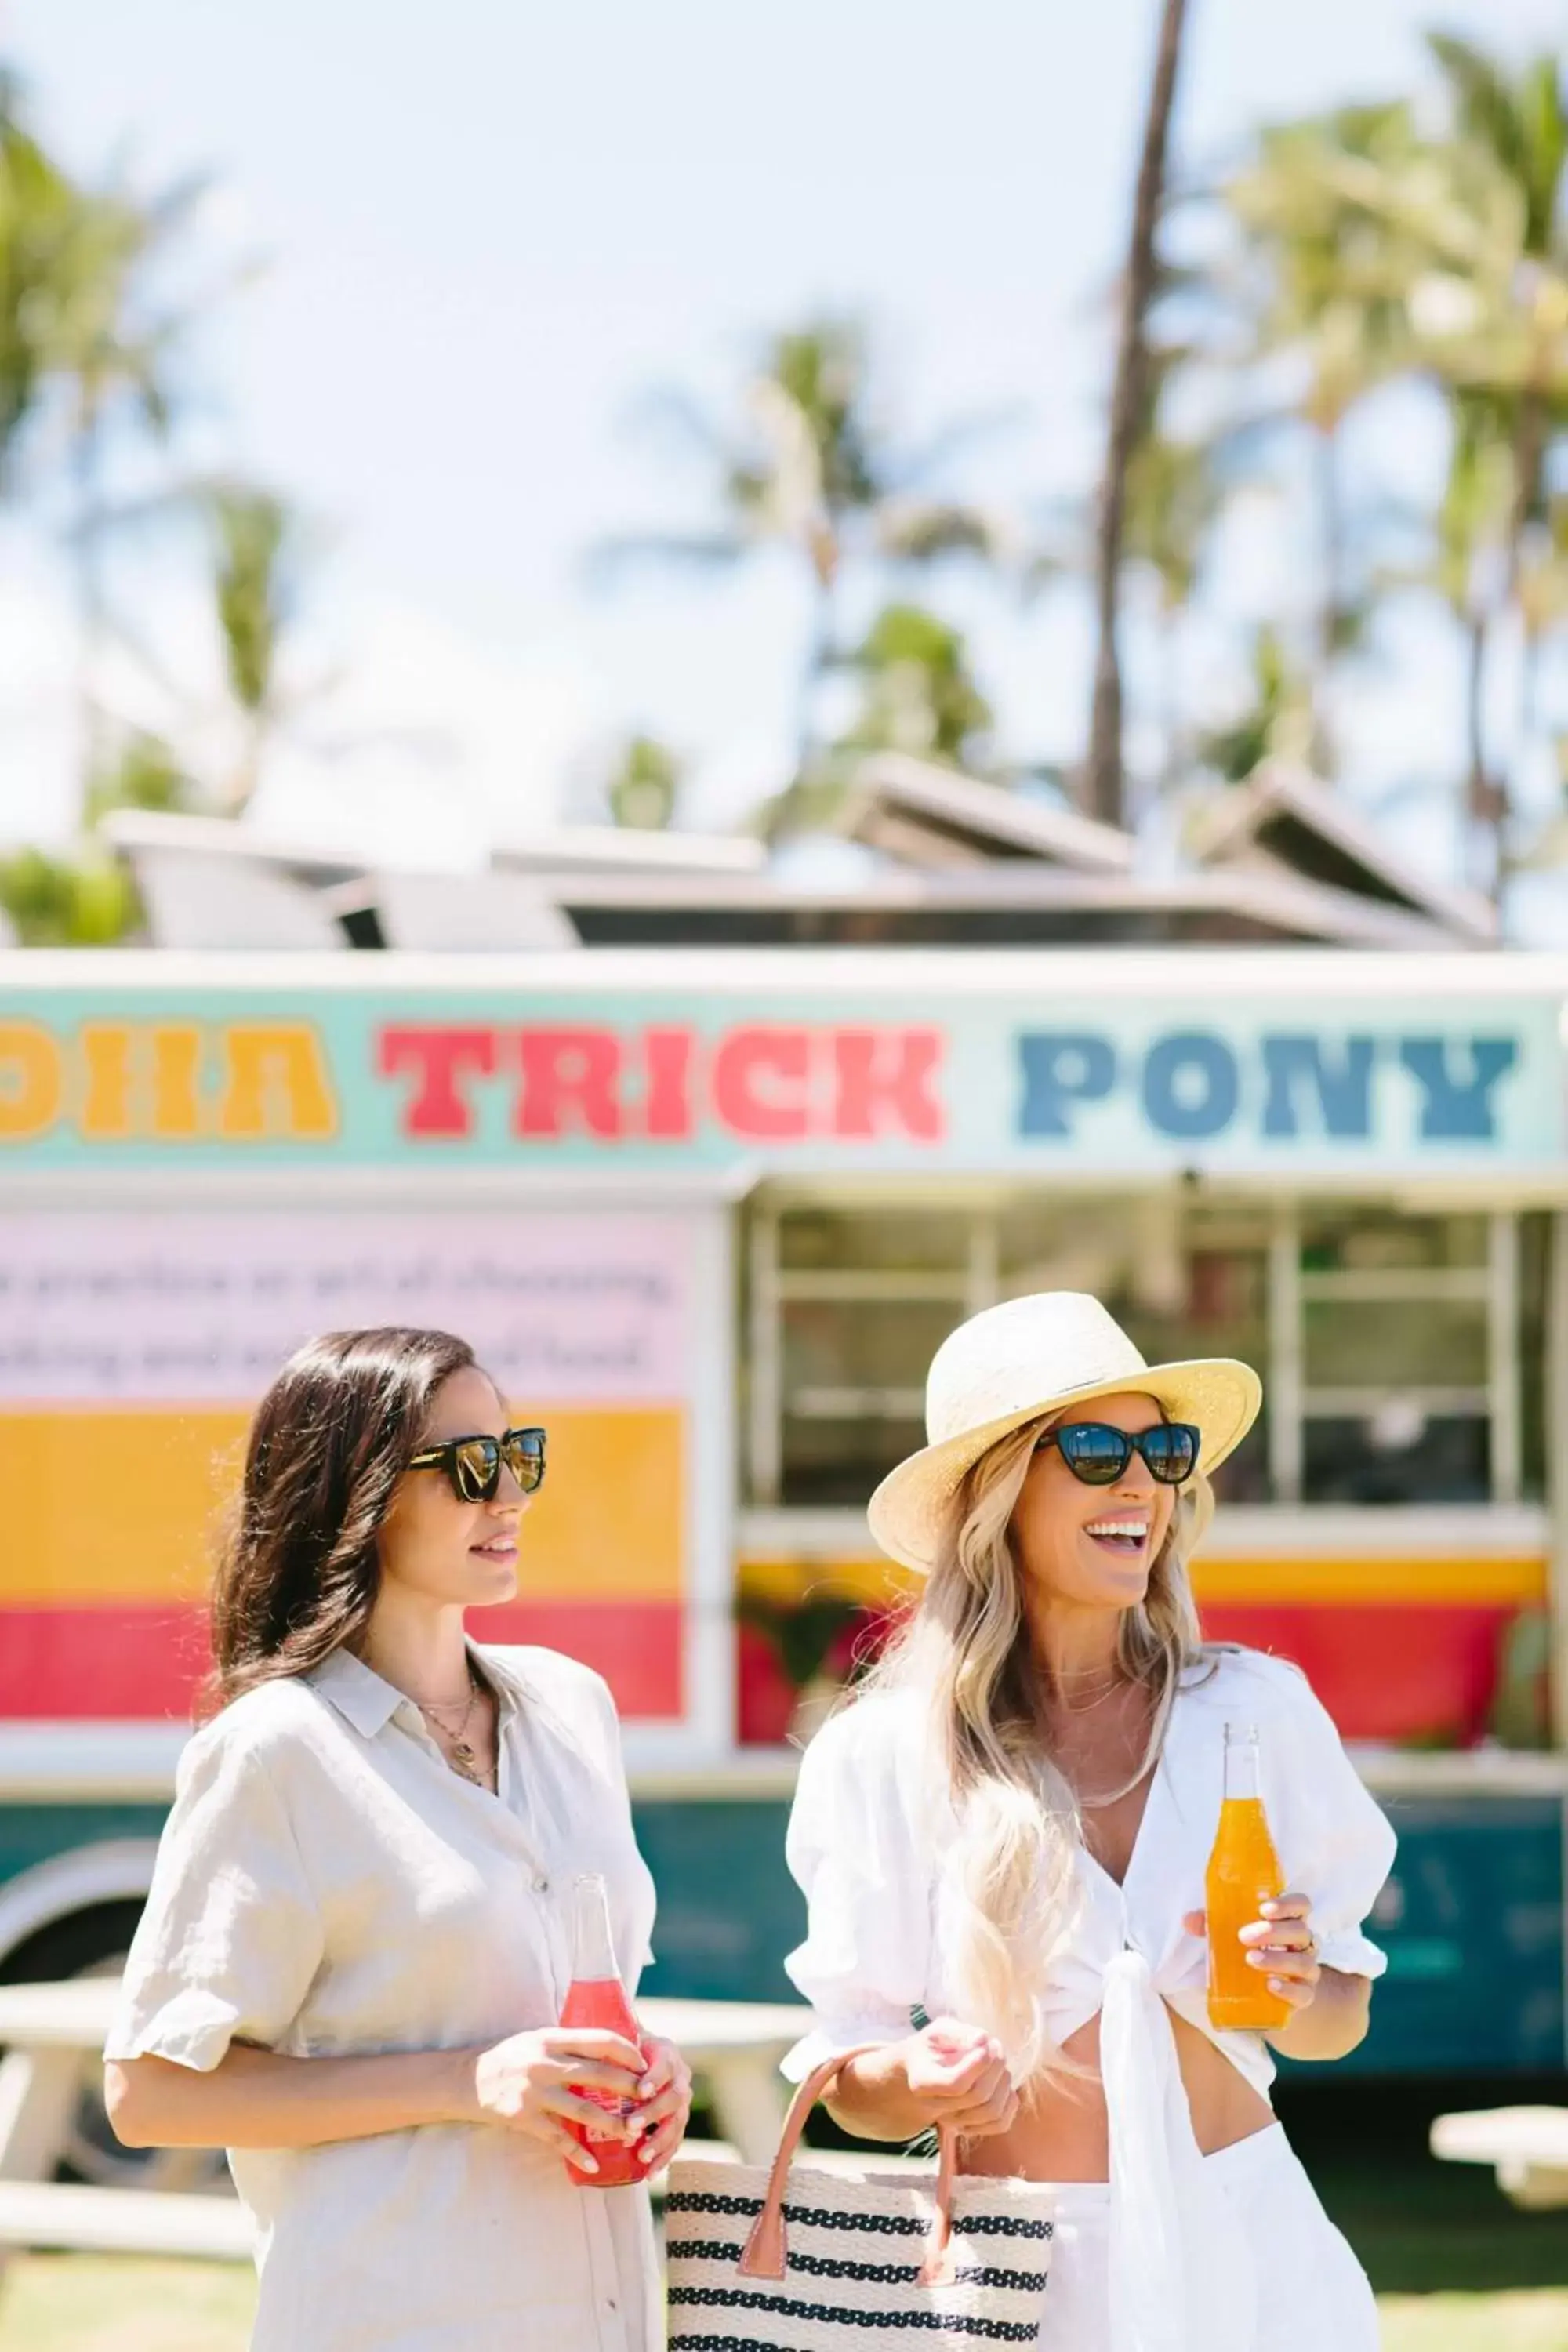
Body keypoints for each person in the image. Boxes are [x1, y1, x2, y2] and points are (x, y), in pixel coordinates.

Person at [782, 1291, 1395, 2352]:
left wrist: (1297, 1988)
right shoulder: (883, 1756)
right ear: (999, 1494)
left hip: (1259, 2255)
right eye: (1097, 1450)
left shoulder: (1252, 1712)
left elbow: (1337, 2021)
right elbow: (853, 2080)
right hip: (1022, 2278)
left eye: (1162, 1450)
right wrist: (917, 2082)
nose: (1141, 1485)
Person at [103, 1326, 691, 2352]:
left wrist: (653, 2075)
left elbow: (567, 1997)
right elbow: (150, 2091)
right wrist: (468, 2081)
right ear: (361, 1494)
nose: (507, 1497)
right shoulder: (275, 1753)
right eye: (470, 1467)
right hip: (392, 2319)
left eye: (521, 1457)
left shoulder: (573, 1709)